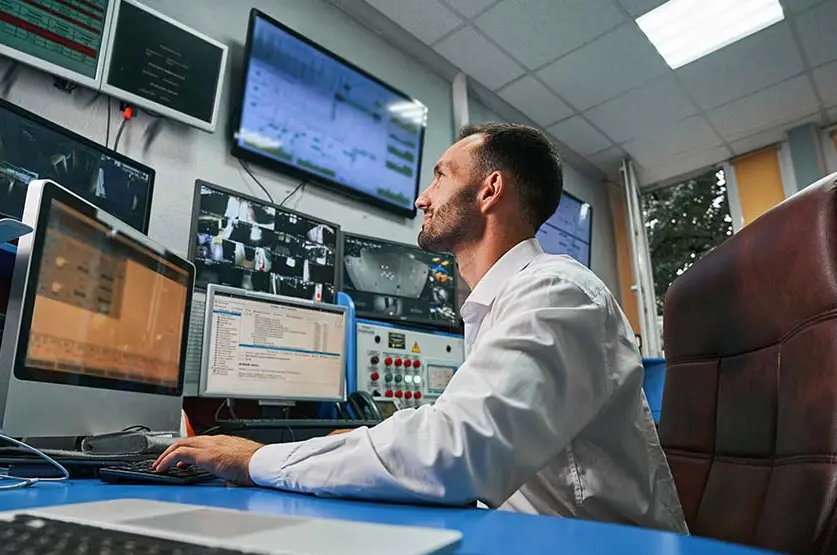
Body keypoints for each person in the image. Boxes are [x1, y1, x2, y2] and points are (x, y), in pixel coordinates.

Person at [156, 123, 688, 533]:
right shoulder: (508, 302)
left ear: (489, 190)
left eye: (440, 175)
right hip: (548, 554)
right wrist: (363, 443)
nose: (422, 197)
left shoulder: (556, 293)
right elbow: (456, 432)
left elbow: (453, 453)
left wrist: (258, 459)